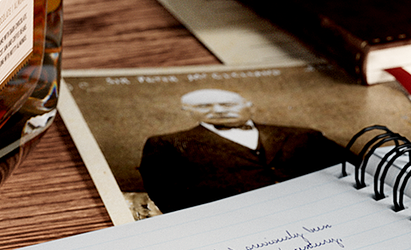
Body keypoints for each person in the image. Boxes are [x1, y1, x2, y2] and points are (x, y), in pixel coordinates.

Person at [138, 89, 346, 213]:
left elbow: (350, 167)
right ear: (188, 112)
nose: (218, 110)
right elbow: (167, 195)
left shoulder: (303, 135)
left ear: (249, 106)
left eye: (228, 104)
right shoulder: (166, 143)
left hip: (317, 210)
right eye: (204, 106)